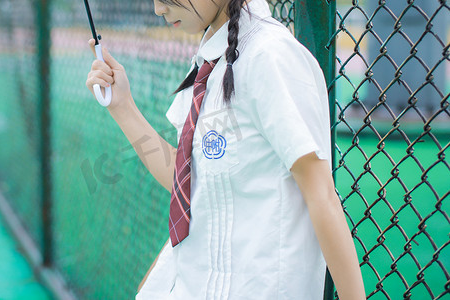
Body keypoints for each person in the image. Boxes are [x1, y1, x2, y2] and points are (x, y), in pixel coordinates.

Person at [85, 0, 365, 299]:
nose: (157, 9)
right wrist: (122, 106)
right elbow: (187, 179)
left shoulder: (270, 56)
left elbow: (321, 193)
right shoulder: (211, 61)